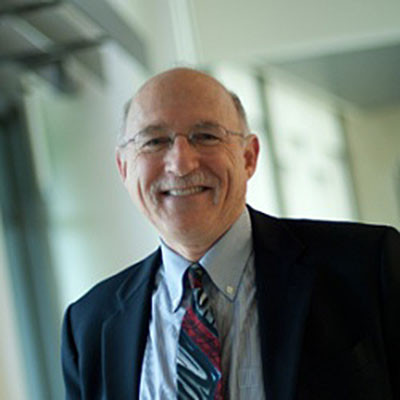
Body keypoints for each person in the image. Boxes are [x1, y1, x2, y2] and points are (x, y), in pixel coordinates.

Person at [61, 68, 400, 400]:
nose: (181, 163)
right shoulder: (89, 326)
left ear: (249, 157)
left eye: (206, 136)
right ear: (124, 167)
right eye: (154, 141)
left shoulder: (367, 267)